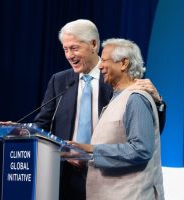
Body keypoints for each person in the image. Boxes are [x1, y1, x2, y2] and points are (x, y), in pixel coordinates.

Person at [31, 19, 166, 200]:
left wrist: (159, 104)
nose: (69, 55)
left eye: (74, 48)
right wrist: (22, 132)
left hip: (112, 176)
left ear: (93, 44)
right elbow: (43, 125)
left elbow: (148, 133)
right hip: (66, 176)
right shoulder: (59, 81)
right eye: (65, 49)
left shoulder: (122, 81)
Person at [67, 38, 164, 200]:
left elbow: (140, 150)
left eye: (104, 60)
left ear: (124, 63)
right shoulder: (117, 98)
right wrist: (87, 158)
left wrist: (90, 149)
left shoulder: (136, 99)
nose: (100, 66)